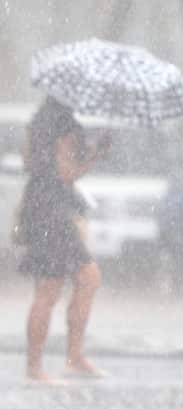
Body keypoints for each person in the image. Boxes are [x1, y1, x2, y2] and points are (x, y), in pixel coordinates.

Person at [17, 97, 109, 384]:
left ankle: (70, 358)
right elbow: (66, 173)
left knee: (80, 279)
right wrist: (96, 155)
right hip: (53, 213)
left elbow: (28, 162)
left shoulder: (38, 122)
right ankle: (41, 367)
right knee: (53, 289)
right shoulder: (65, 125)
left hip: (37, 207)